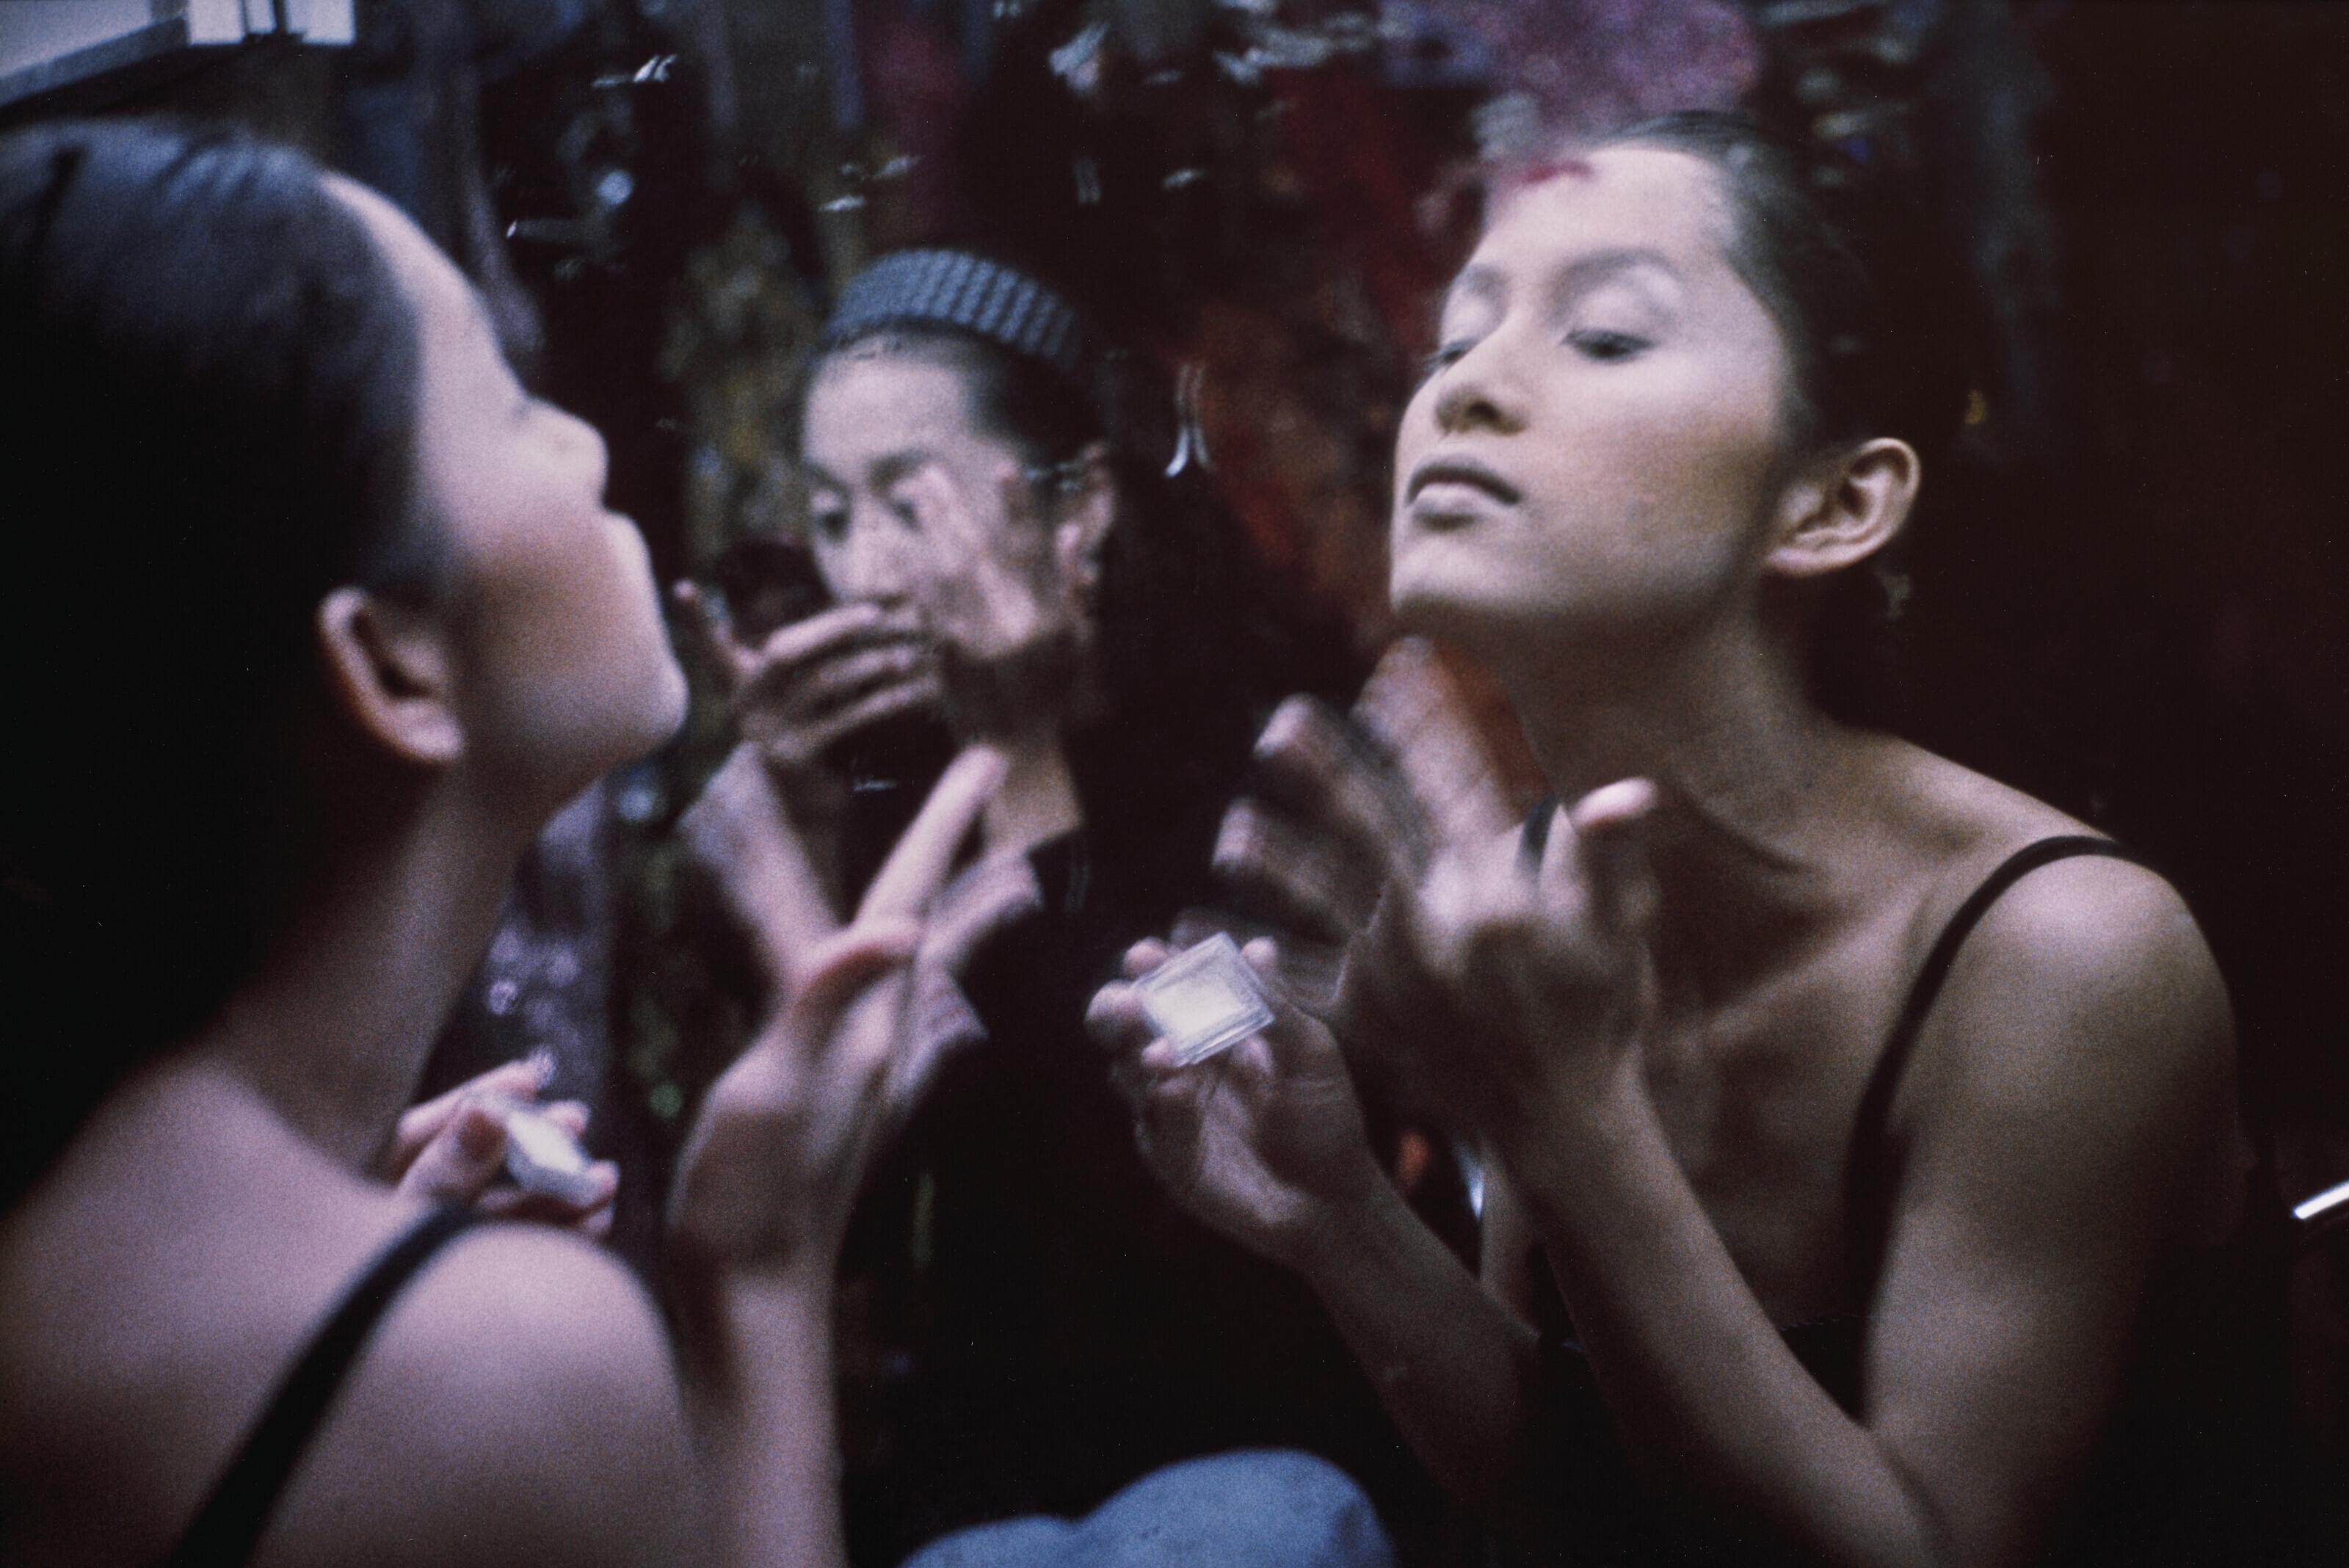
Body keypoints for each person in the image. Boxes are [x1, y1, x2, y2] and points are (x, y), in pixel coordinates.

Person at [1092, 111, 2292, 1566]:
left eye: (1603, 337)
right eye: (1454, 341)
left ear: (1833, 500)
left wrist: (1567, 1115)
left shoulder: (2064, 957)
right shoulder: (1568, 896)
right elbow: (1572, 1472)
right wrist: (1338, 1215)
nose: (1464, 392)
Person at [0, 118, 1025, 1568]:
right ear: (396, 667)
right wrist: (759, 1270)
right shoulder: (486, 1374)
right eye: (502, 399)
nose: (592, 439)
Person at [674, 250, 1442, 1562]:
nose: (864, 574)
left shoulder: (1284, 763)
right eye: (828, 514)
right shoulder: (880, 797)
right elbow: (790, 1248)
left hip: (1270, 1479)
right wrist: (792, 856)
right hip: (971, 1502)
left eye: (907, 506)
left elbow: (1179, 1170)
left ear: (1080, 503)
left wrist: (1017, 756)